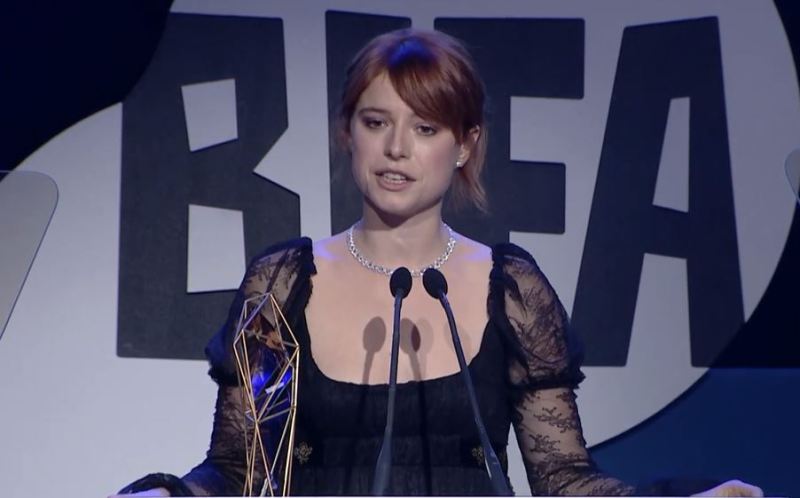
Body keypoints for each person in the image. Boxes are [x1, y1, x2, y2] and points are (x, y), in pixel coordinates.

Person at [118, 29, 763, 497]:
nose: (397, 148)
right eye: (376, 122)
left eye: (426, 128)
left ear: (465, 145)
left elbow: (564, 479)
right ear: (348, 132)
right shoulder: (281, 284)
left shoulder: (508, 288)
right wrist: (168, 497)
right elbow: (239, 468)